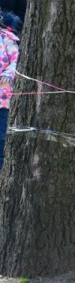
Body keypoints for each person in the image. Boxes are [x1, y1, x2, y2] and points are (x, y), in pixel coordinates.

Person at [0, 11, 18, 172]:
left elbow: (16, 60)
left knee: (1, 138)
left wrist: (8, 74)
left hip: (3, 99)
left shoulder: (7, 39)